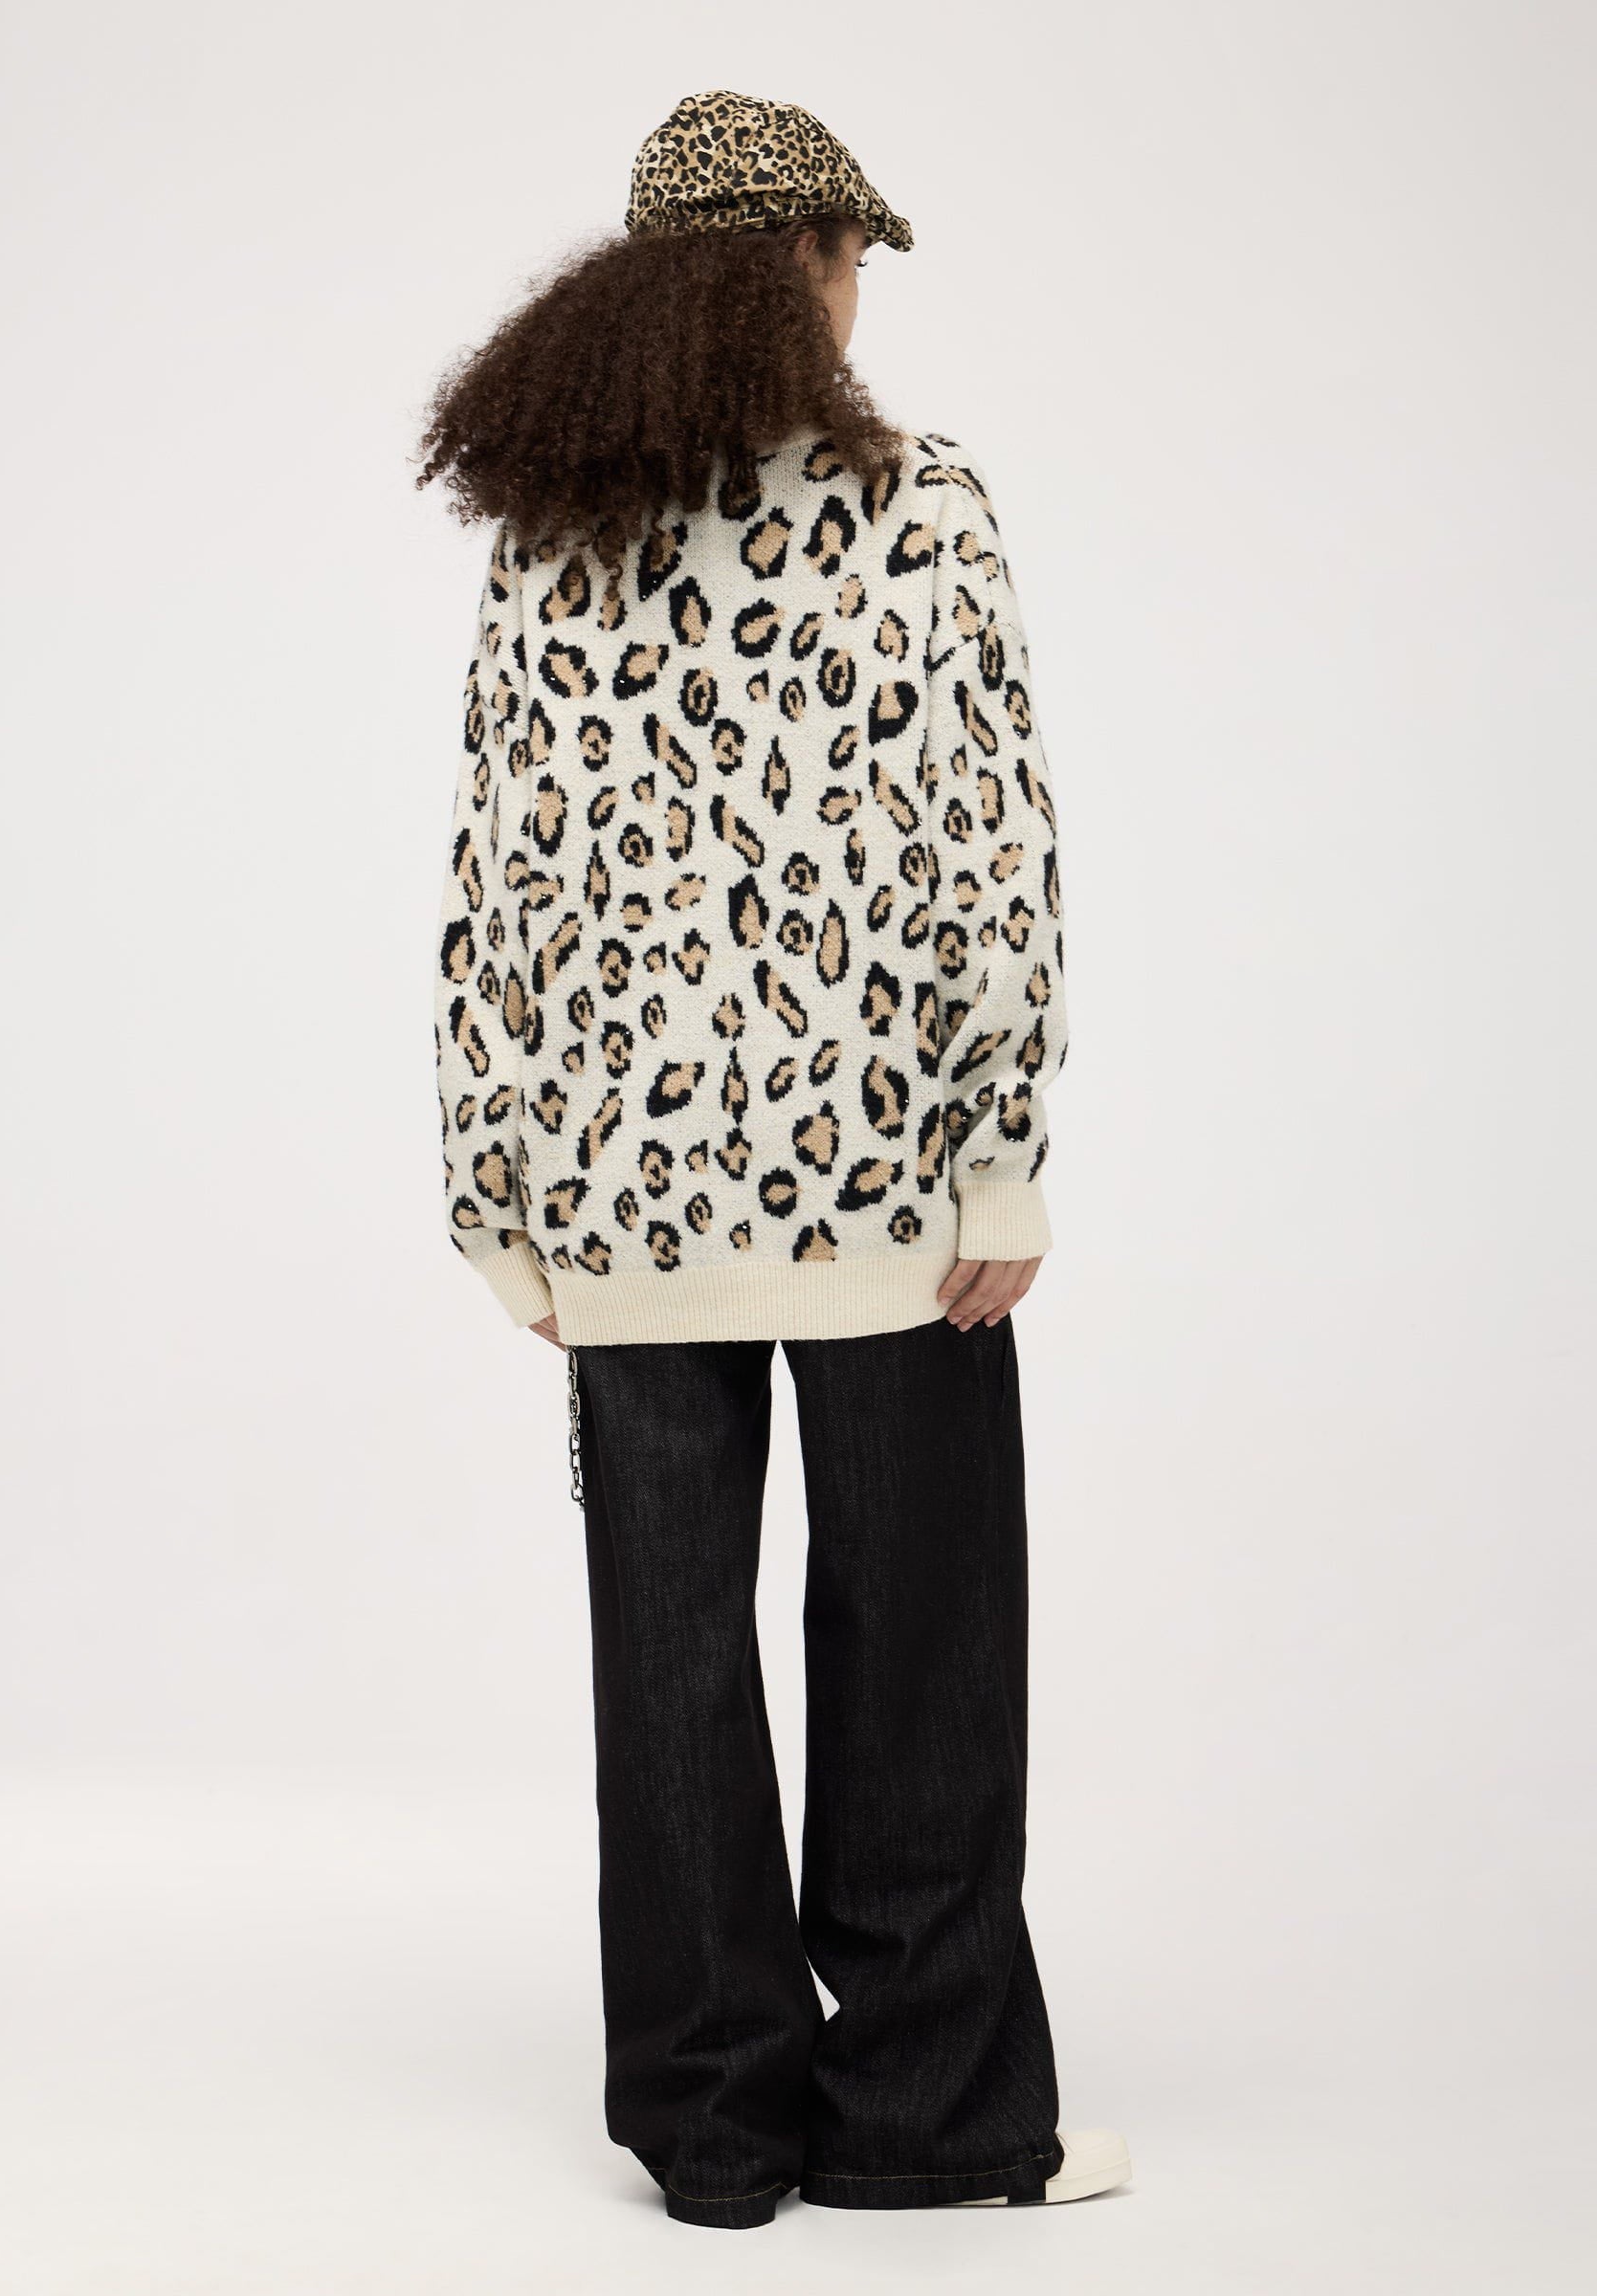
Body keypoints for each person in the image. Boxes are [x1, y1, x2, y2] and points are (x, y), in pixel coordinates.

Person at [418, 88, 1130, 2230]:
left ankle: (717, 2130)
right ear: (804, 267)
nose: (857, 299)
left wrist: (502, 1201)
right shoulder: (921, 509)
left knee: (670, 1667)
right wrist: (1001, 1161)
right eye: (852, 259)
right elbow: (988, 854)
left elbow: (498, 883)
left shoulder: (554, 537)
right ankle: (926, 2109)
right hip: (890, 1198)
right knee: (923, 1650)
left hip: (622, 1207)